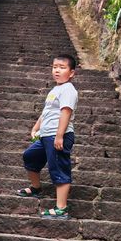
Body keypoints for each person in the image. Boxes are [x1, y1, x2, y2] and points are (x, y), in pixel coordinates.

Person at [16, 53, 78, 218]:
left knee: (58, 168)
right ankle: (36, 188)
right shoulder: (55, 89)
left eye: (62, 68)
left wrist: (59, 136)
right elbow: (47, 112)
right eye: (55, 67)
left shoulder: (68, 89)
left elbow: (66, 112)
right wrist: (36, 127)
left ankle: (61, 208)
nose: (57, 70)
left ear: (71, 72)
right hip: (46, 135)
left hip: (57, 136)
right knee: (30, 156)